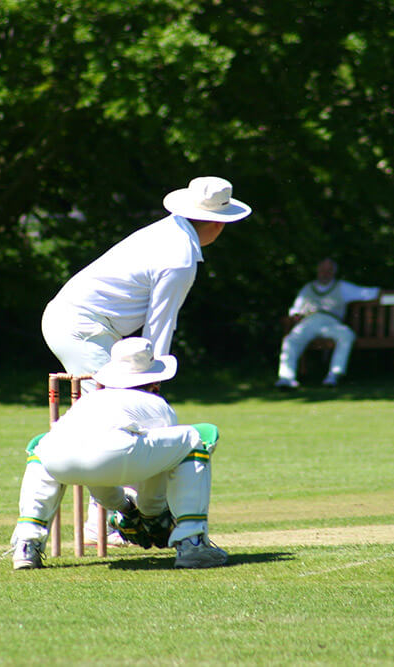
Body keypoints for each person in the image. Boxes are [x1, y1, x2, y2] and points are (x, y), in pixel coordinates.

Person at [41, 176, 251, 544]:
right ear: (218, 224)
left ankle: (106, 520)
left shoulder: (166, 232)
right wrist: (150, 384)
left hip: (76, 322)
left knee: (112, 423)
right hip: (82, 328)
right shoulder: (180, 258)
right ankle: (108, 523)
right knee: (113, 422)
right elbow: (159, 327)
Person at [10, 337, 227, 570]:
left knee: (43, 450)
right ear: (155, 384)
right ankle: (192, 543)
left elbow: (93, 464)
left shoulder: (90, 399)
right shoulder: (157, 404)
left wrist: (125, 508)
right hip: (112, 457)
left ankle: (26, 544)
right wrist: (152, 514)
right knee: (194, 439)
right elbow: (158, 468)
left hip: (55, 454)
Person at [275, 258, 383, 389]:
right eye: (322, 270)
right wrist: (296, 315)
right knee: (291, 340)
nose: (325, 273)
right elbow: (295, 308)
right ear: (317, 271)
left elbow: (369, 293)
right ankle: (286, 378)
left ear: (334, 272)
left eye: (329, 270)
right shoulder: (308, 288)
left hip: (331, 322)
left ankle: (334, 375)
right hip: (309, 321)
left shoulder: (342, 286)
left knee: (346, 335)